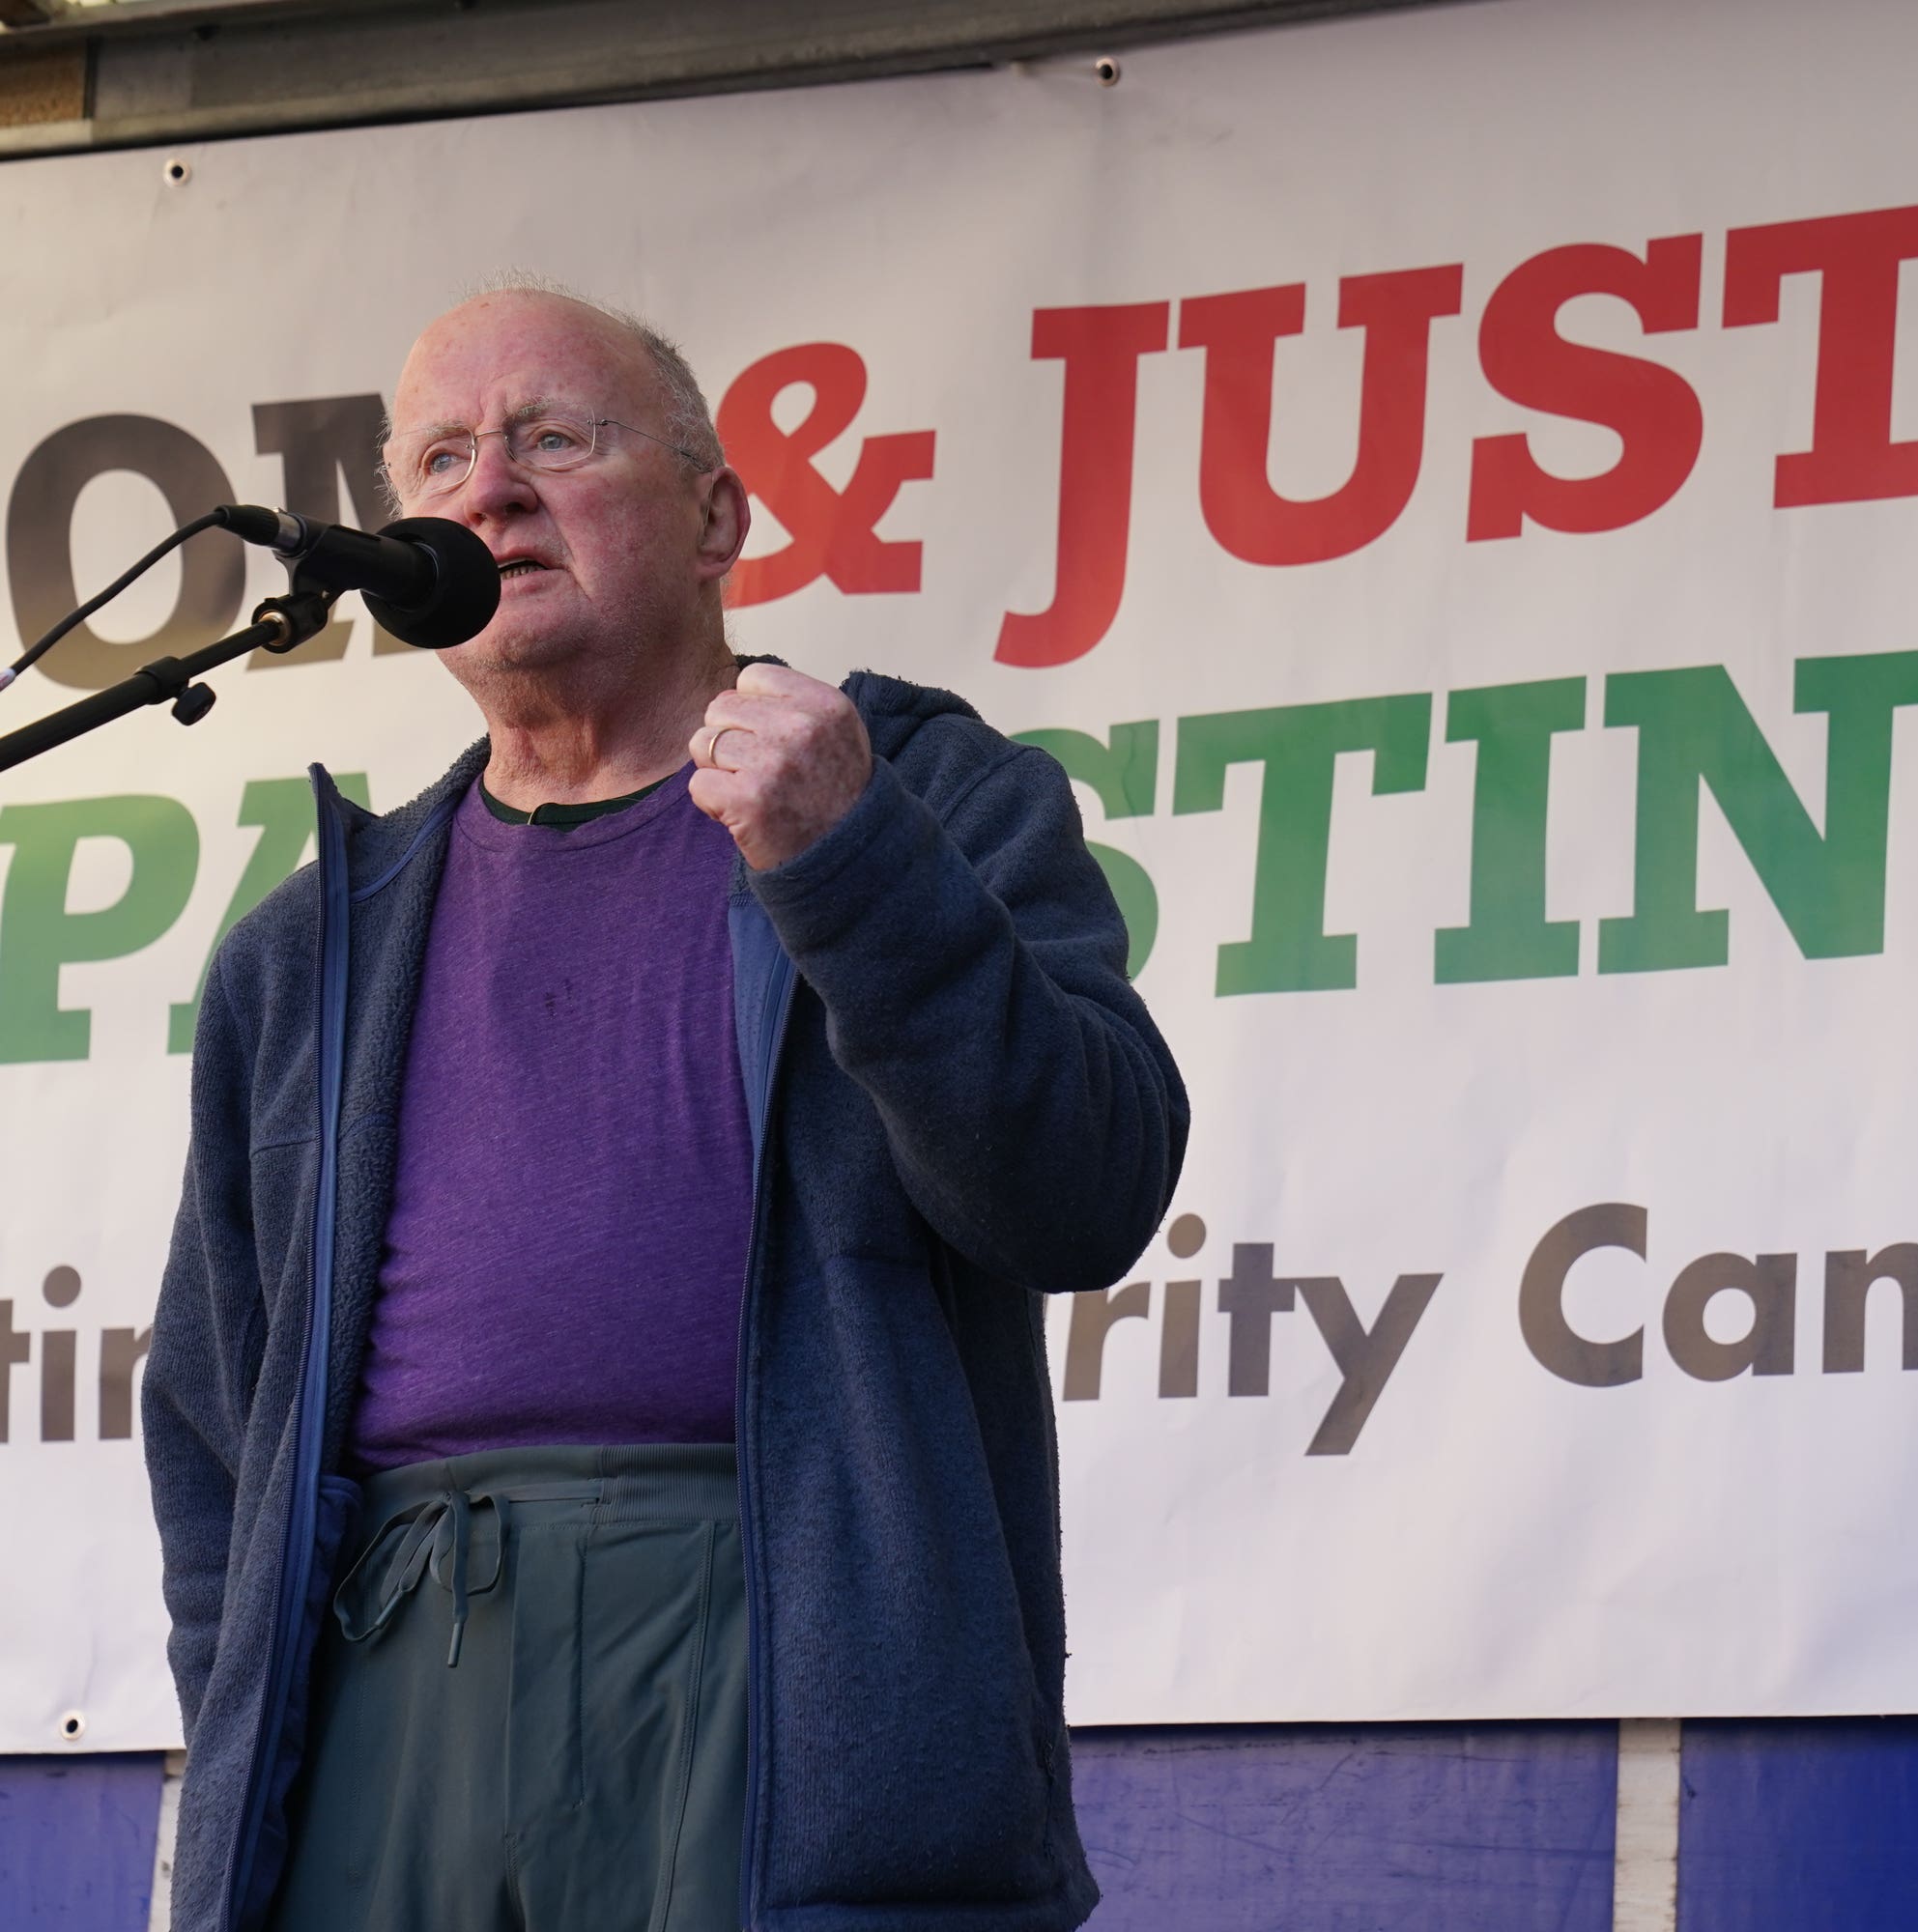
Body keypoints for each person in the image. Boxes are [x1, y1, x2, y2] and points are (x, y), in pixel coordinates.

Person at [141, 278, 1187, 1932]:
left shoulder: (917, 798)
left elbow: (1085, 1192)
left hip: (785, 1680)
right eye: (440, 462)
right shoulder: (307, 949)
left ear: (715, 517)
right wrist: (260, 1719)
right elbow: (211, 1418)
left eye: (554, 436)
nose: (488, 489)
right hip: (391, 1698)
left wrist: (851, 869)